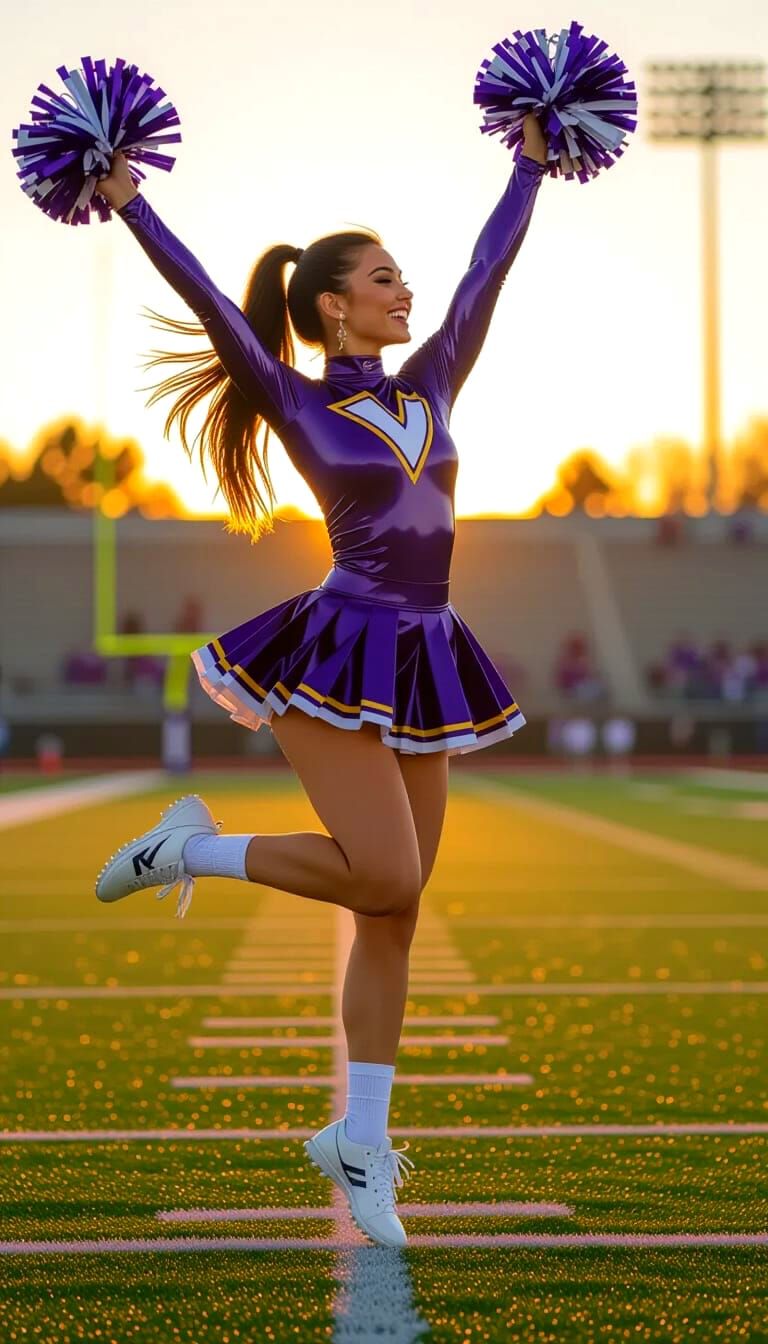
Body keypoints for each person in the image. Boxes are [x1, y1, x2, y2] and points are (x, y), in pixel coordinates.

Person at [93, 116, 548, 1247]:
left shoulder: (436, 378)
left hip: (430, 650)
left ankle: (361, 1139)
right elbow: (206, 298)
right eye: (385, 279)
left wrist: (531, 160)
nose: (409, 291)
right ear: (333, 305)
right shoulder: (299, 402)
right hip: (338, 646)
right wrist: (130, 199)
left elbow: (493, 267)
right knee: (384, 872)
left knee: (393, 909)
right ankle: (187, 848)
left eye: (406, 278)